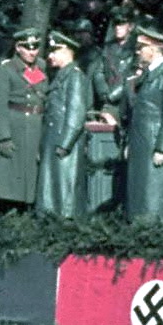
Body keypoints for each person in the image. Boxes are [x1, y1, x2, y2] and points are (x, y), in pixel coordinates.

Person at [123, 23, 163, 222]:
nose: (138, 52)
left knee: (154, 196)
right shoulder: (147, 75)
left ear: (153, 48)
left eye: (141, 48)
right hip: (142, 143)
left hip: (154, 143)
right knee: (140, 193)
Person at [0, 29, 47, 210]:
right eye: (27, 47)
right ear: (18, 47)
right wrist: (4, 136)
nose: (32, 51)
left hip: (34, 128)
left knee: (28, 177)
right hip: (14, 127)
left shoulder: (41, 67)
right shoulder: (6, 69)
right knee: (8, 181)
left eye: (35, 47)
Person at [36, 31, 91, 218]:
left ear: (67, 51)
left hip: (63, 143)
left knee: (64, 191)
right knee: (52, 188)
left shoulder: (74, 76)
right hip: (55, 139)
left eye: (54, 51)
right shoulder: (62, 75)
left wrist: (65, 144)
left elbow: (76, 113)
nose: (50, 56)